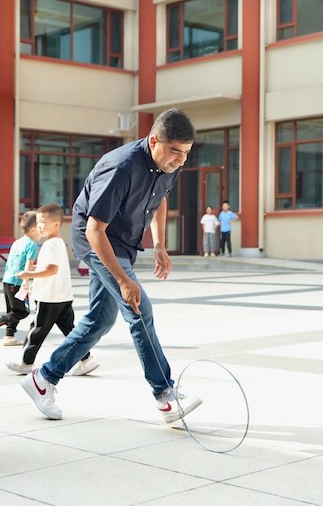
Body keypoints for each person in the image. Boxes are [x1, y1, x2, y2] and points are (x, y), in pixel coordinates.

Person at [20, 108, 202, 424]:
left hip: (123, 243)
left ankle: (43, 378)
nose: (181, 160)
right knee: (139, 309)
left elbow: (160, 199)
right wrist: (123, 279)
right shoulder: (121, 167)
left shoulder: (169, 164)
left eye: (187, 153)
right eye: (175, 151)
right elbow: (94, 229)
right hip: (95, 240)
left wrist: (159, 244)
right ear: (154, 140)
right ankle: (165, 394)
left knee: (99, 321)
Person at [5, 204, 98, 376]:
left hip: (49, 298)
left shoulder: (50, 245)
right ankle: (86, 359)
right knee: (70, 331)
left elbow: (51, 269)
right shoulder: (58, 243)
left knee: (36, 331)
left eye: (42, 222)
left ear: (56, 224)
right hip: (62, 296)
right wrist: (33, 277)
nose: (39, 226)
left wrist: (29, 274)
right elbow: (51, 269)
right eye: (38, 222)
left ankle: (26, 363)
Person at [0, 211, 40, 346]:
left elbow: (13, 262)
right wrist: (26, 282)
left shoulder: (17, 242)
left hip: (7, 280)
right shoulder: (32, 245)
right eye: (40, 226)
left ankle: (9, 336)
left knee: (12, 311)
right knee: (22, 311)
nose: (41, 231)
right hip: (18, 282)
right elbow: (28, 264)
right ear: (33, 229)